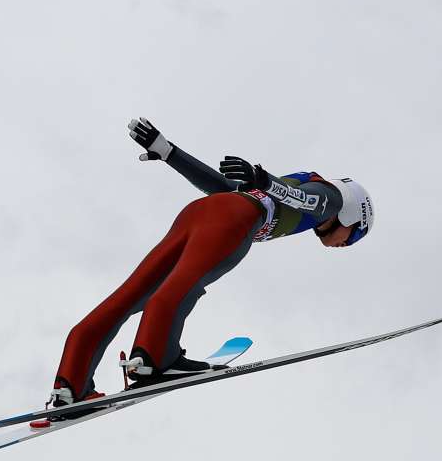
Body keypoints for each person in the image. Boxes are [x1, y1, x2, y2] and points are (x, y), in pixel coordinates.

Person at [42, 117, 373, 416]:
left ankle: (70, 385)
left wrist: (169, 153)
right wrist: (266, 180)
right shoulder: (332, 198)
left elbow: (222, 187)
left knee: (130, 295)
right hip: (232, 219)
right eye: (354, 236)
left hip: (201, 212)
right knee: (182, 285)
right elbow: (311, 202)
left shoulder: (293, 193)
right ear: (353, 215)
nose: (344, 245)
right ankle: (156, 359)